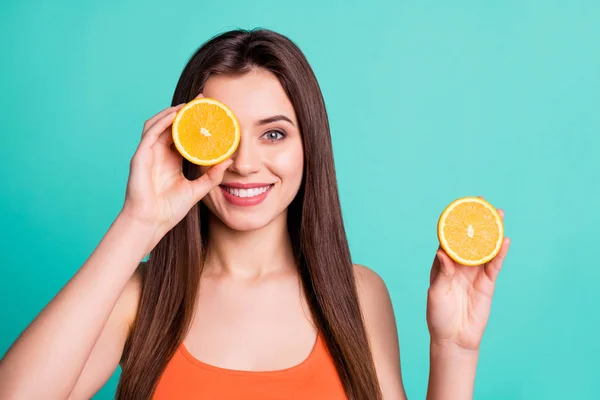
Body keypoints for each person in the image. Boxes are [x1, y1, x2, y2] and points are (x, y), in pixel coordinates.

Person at [0, 28, 511, 400]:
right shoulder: (141, 298)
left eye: (273, 133)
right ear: (187, 144)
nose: (244, 164)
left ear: (309, 145)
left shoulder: (357, 296)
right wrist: (138, 223)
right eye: (224, 136)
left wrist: (455, 350)